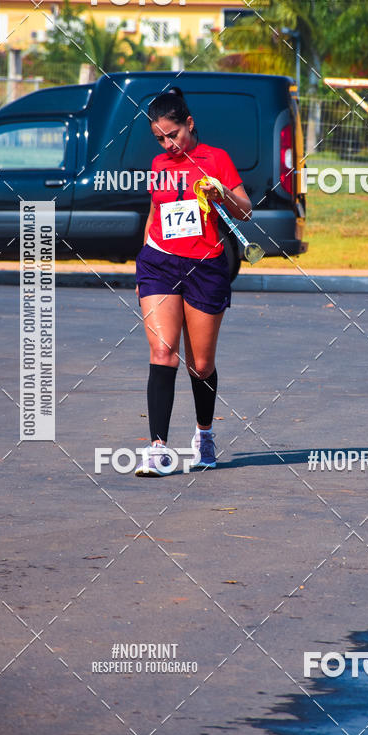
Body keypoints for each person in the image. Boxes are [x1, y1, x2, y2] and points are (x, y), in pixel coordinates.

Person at [134, 87, 252, 476]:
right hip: (159, 264)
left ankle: (204, 434)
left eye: (173, 134)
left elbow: (245, 211)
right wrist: (142, 264)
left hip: (206, 266)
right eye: (159, 138)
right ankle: (157, 449)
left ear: (189, 124)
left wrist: (221, 193)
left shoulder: (216, 159)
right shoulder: (158, 165)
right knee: (162, 352)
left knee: (200, 364)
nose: (167, 144)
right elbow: (155, 213)